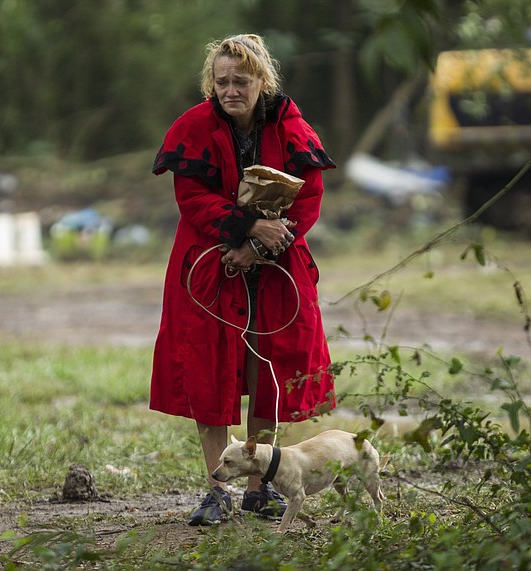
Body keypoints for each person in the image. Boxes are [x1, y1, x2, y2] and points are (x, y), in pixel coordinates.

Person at [149, 33, 336, 526]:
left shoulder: (290, 124)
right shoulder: (193, 127)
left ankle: (260, 488)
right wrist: (245, 228)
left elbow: (309, 193)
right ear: (211, 82)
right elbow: (191, 196)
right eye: (222, 80)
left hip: (275, 267)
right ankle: (217, 492)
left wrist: (262, 243)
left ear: (262, 81)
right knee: (210, 378)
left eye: (241, 80)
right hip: (210, 268)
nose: (231, 89)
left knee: (268, 376)